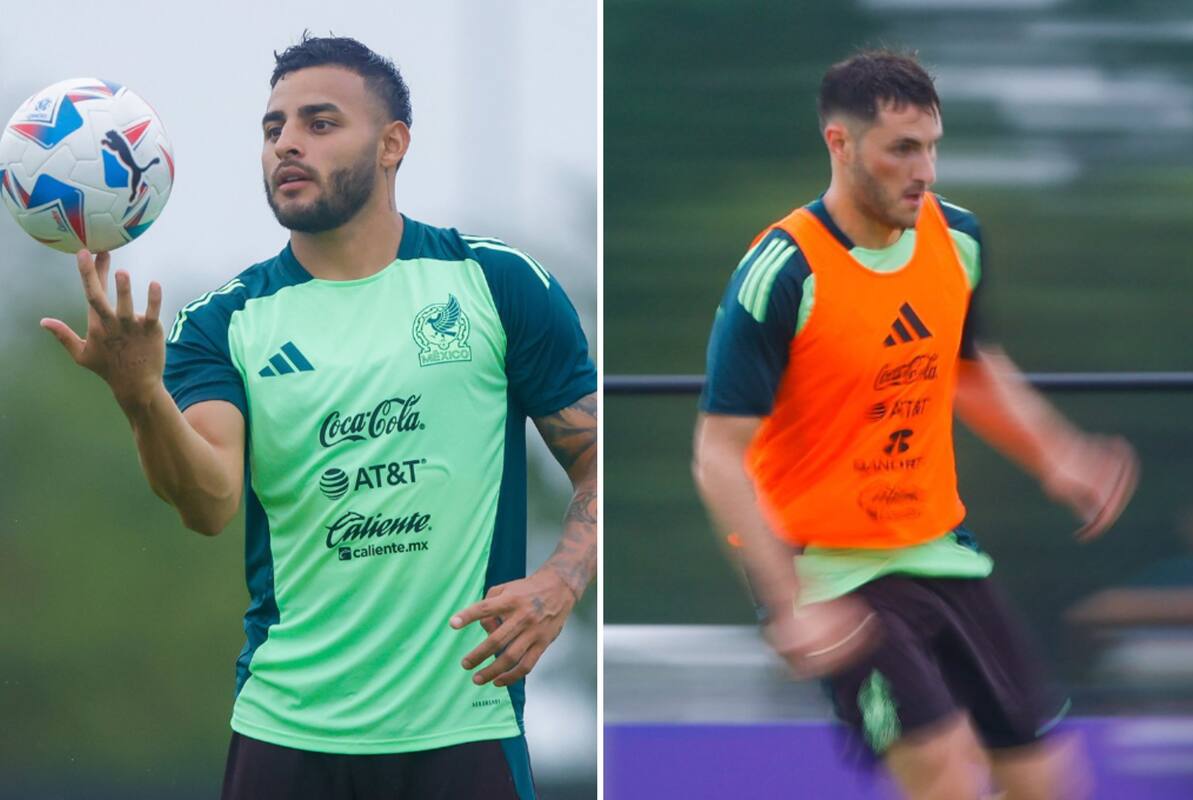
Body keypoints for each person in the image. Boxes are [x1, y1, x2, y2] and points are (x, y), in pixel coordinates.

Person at [40, 35, 596, 800]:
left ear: (393, 144)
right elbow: (209, 503)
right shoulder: (225, 322)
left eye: (320, 123)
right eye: (273, 128)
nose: (287, 144)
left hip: (464, 727)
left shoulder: (495, 283)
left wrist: (562, 582)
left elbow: (597, 459)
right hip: (287, 733)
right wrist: (141, 396)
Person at [692, 50, 1137, 800]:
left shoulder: (957, 239)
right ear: (840, 143)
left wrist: (1056, 453)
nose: (923, 170)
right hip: (832, 571)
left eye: (931, 147)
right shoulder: (782, 272)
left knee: (1048, 781)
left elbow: (970, 365)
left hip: (941, 548)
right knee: (943, 775)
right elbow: (717, 455)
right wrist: (785, 602)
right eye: (901, 149)